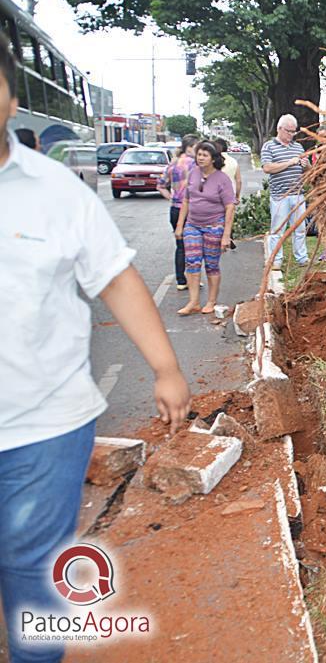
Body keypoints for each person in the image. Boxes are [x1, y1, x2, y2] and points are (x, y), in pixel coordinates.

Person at [0, 36, 190, 663]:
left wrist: (166, 369)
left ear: (11, 95)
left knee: (33, 581)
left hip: (43, 428)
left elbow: (115, 279)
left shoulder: (57, 192)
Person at [174, 141, 236, 315]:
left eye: (204, 155)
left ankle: (211, 301)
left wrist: (226, 235)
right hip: (192, 225)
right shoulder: (193, 173)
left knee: (211, 264)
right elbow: (186, 200)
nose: (200, 158)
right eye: (199, 154)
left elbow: (230, 206)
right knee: (192, 263)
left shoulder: (222, 179)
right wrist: (180, 226)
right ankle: (193, 302)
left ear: (213, 158)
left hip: (214, 226)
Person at [261, 114, 309, 270]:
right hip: (280, 196)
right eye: (289, 131)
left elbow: (308, 170)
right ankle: (276, 260)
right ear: (279, 129)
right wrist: (289, 163)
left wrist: (306, 165)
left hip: (298, 194)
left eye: (294, 132)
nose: (291, 135)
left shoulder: (298, 147)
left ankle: (302, 258)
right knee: (277, 229)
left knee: (300, 228)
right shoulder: (269, 146)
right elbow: (267, 168)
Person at [158, 134, 199, 290]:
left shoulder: (173, 164)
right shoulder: (196, 165)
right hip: (192, 209)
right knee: (194, 245)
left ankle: (181, 280)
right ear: (189, 147)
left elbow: (161, 185)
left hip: (175, 209)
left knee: (180, 245)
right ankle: (193, 277)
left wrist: (172, 198)